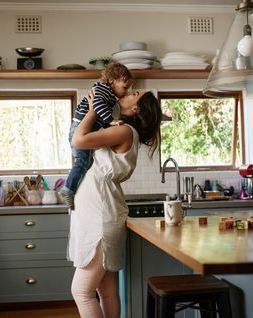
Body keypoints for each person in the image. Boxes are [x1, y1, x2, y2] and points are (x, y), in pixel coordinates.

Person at [67, 89, 162, 318]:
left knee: (81, 291)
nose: (131, 91)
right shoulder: (121, 128)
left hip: (100, 215)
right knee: (106, 292)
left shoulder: (124, 131)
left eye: (135, 93)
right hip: (101, 211)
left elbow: (78, 140)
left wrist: (91, 111)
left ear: (136, 108)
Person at [60, 63, 134, 210]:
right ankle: (67, 190)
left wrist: (109, 125)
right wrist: (111, 121)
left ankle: (70, 189)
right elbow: (97, 106)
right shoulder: (102, 90)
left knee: (86, 162)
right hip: (77, 128)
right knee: (82, 161)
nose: (126, 92)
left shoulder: (109, 95)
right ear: (112, 81)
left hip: (83, 127)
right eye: (125, 88)